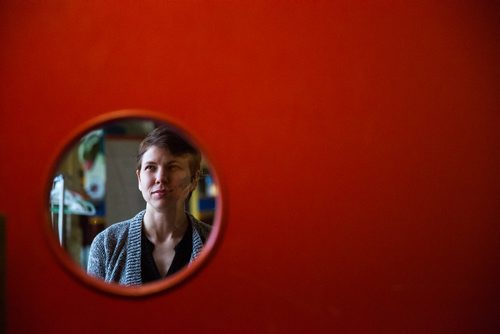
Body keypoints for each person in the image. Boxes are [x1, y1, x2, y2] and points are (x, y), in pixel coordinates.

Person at [87, 126, 211, 285]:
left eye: (172, 167)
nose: (160, 178)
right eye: (151, 167)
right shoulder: (106, 245)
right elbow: (94, 309)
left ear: (194, 180)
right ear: (139, 179)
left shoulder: (214, 244)